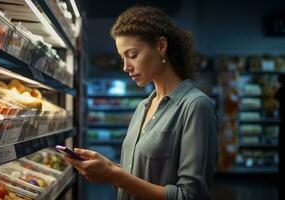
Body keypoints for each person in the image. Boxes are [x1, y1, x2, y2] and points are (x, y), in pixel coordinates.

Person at [64, 6, 218, 200]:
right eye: (122, 58)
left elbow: (191, 196)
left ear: (161, 46)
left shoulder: (195, 106)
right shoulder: (143, 107)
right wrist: (109, 168)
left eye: (133, 55)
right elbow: (142, 175)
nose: (126, 67)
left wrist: (114, 174)